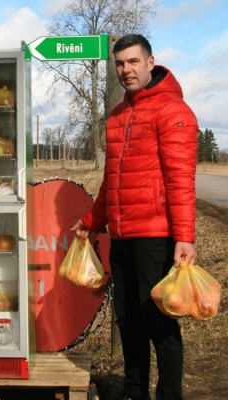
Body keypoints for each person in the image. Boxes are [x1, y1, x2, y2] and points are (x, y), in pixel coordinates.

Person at [71, 34, 198, 400]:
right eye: (120, 64)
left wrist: (184, 238)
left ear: (150, 61)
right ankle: (133, 391)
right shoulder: (117, 116)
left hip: (157, 238)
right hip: (123, 239)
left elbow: (180, 181)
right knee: (128, 321)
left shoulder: (173, 112)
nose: (126, 70)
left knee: (159, 322)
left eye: (133, 62)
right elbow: (112, 182)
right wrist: (92, 222)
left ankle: (169, 395)